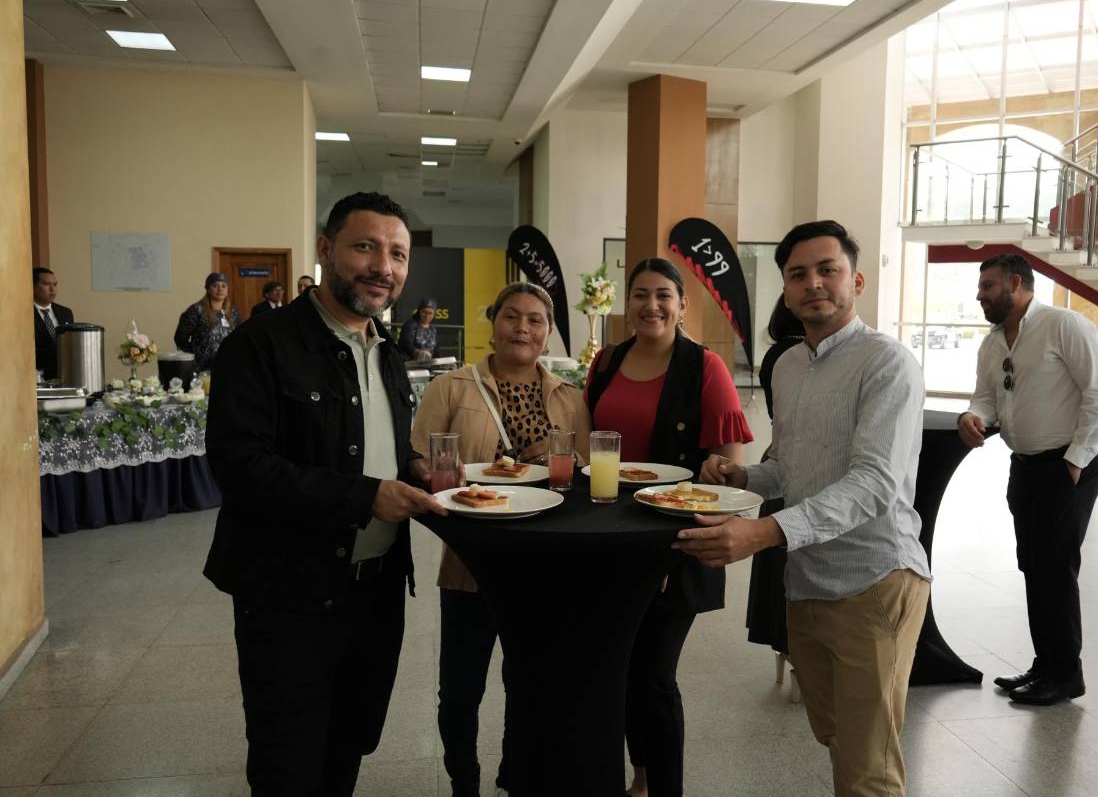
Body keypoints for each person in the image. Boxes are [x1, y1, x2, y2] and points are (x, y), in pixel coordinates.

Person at [203, 191, 447, 796]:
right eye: (365, 246)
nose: (382, 267)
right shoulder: (261, 346)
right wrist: (365, 497)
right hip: (289, 593)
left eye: (397, 253)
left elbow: (381, 448)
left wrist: (419, 472)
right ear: (325, 249)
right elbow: (241, 466)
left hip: (378, 590)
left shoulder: (387, 354)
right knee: (289, 759)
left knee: (349, 741)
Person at [675, 220, 930, 797]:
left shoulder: (888, 364)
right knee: (835, 736)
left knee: (870, 767)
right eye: (798, 275)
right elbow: (790, 467)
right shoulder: (788, 366)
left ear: (856, 280)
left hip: (873, 581)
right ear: (786, 291)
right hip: (806, 580)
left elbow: (875, 483)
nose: (813, 283)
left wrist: (762, 532)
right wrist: (743, 476)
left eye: (827, 270)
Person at [412, 281, 591, 797]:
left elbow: (577, 475)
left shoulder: (569, 397)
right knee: (461, 689)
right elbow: (421, 459)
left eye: (535, 320)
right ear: (494, 323)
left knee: (530, 682)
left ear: (548, 331)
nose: (523, 328)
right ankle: (463, 783)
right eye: (512, 317)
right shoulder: (451, 387)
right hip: (473, 560)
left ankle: (516, 776)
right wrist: (448, 482)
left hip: (544, 564)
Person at [584, 257, 752, 797]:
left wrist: (714, 472)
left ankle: (664, 787)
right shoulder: (605, 362)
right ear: (625, 302)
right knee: (617, 668)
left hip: (673, 542)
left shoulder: (704, 368)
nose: (650, 305)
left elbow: (730, 464)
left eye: (663, 295)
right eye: (639, 294)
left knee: (653, 674)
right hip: (609, 539)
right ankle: (640, 777)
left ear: (682, 305)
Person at [957, 253, 1098, 706]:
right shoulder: (993, 344)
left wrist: (1074, 462)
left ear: (1016, 283)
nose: (980, 295)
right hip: (1025, 466)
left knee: (1055, 568)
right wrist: (974, 416)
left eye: (987, 286)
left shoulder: (1065, 325)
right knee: (1033, 564)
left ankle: (1066, 675)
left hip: (1069, 467)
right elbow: (987, 396)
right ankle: (1045, 664)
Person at [745, 296, 805, 655]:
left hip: (777, 456)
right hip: (785, 464)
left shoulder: (774, 354)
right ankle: (792, 645)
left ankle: (786, 645)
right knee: (788, 559)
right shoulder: (789, 358)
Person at [174, 272, 241, 371]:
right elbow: (180, 338)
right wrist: (196, 353)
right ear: (208, 289)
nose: (220, 289)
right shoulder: (196, 310)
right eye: (215, 286)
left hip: (227, 364)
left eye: (224, 286)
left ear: (227, 290)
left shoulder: (233, 312)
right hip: (202, 367)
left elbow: (239, 336)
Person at [33, 267, 74, 381]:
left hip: (64, 374)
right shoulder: (24, 314)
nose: (52, 289)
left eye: (55, 284)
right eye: (46, 284)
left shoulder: (66, 312)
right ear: (33, 287)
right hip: (38, 376)